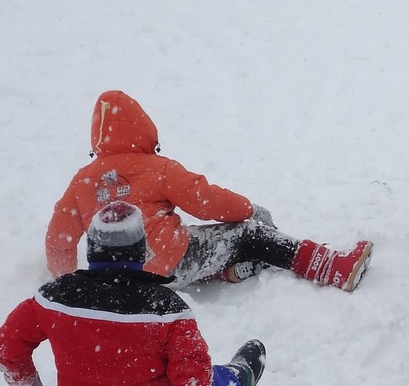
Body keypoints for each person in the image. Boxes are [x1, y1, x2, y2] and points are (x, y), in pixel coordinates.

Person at [46, 90, 373, 292]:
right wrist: (247, 209)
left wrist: (66, 281)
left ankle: (229, 272)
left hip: (119, 281)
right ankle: (333, 268)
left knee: (191, 241)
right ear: (143, 129)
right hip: (170, 267)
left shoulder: (83, 180)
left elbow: (58, 239)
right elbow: (207, 202)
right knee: (250, 235)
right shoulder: (159, 168)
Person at [0, 201, 267, 386]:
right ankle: (238, 377)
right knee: (212, 377)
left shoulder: (53, 299)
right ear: (140, 250)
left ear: (92, 249)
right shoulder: (167, 309)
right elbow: (193, 380)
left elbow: (6, 347)